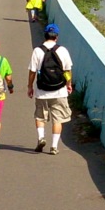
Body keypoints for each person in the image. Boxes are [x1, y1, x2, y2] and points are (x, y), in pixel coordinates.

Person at [27, 23, 73, 155]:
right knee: (57, 119)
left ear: (45, 35)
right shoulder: (63, 50)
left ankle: (41, 138)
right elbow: (67, 70)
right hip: (59, 91)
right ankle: (54, 146)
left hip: (42, 91)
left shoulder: (38, 51)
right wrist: (68, 84)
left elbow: (32, 71)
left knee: (40, 117)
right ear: (56, 37)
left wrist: (30, 86)